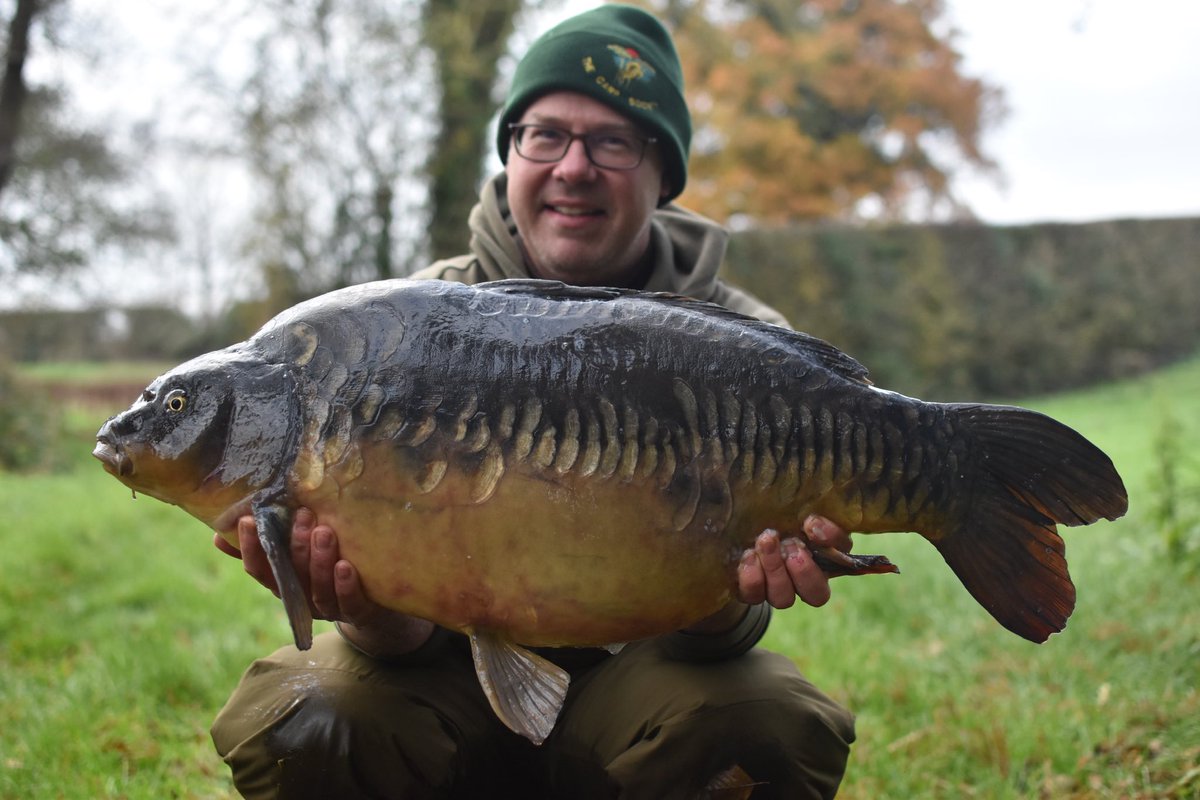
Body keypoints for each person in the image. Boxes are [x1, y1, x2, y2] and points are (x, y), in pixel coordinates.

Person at [210, 5, 856, 798]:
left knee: (766, 720)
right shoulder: (403, 326)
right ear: (511, 153)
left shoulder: (750, 348)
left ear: (664, 171)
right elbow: (395, 644)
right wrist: (369, 612)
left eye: (612, 140)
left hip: (645, 679)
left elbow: (717, 646)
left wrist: (731, 591)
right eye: (544, 134)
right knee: (312, 712)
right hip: (445, 678)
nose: (573, 166)